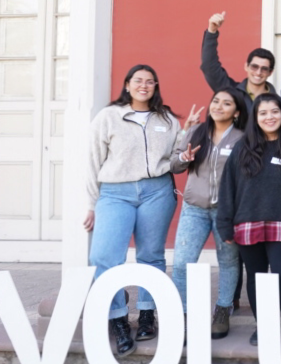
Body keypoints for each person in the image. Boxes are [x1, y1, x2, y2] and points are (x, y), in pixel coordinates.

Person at [84, 64, 181, 354]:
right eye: (138, 80)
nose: (144, 85)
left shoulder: (167, 119)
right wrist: (91, 204)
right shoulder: (108, 116)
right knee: (103, 257)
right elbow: (92, 161)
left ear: (156, 86)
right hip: (115, 193)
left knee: (151, 256)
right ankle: (118, 318)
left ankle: (148, 313)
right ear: (127, 85)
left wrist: (186, 154)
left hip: (158, 191)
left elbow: (176, 159)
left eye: (150, 81)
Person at [217, 93, 281, 353]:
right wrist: (224, 223)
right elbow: (228, 187)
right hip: (247, 221)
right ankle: (264, 325)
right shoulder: (243, 147)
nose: (269, 117)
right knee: (257, 277)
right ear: (255, 118)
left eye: (274, 111)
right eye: (263, 113)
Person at [170, 87, 248, 339]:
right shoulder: (195, 132)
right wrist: (183, 156)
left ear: (236, 112)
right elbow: (175, 165)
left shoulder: (241, 139)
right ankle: (182, 314)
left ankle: (223, 311)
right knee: (182, 261)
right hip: (194, 208)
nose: (218, 106)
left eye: (226, 104)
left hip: (227, 212)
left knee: (228, 261)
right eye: (216, 101)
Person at [200, 11, 276, 113]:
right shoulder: (232, 92)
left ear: (270, 72)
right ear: (246, 66)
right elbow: (209, 67)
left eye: (264, 69)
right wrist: (212, 32)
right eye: (254, 66)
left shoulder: (276, 102)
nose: (258, 72)